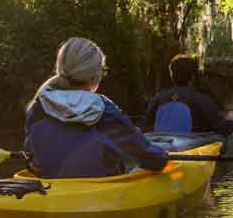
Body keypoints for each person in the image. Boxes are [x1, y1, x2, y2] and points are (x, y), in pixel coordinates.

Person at [25, 37, 170, 179]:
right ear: (94, 77)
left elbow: (32, 156)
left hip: (54, 190)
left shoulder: (38, 106)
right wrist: (162, 156)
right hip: (99, 191)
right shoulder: (101, 108)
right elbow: (145, 154)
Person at [144, 53, 233, 135]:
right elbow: (223, 129)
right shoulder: (199, 99)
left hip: (160, 142)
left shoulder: (158, 97)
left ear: (172, 75)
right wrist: (232, 119)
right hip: (191, 143)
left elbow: (146, 124)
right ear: (193, 76)